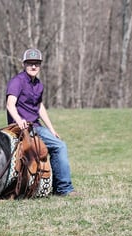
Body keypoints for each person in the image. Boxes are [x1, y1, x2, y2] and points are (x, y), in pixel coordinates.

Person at [6, 48, 79, 197]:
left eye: (37, 64)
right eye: (30, 63)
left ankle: (58, 186)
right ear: (24, 64)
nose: (33, 67)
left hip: (36, 126)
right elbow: (10, 104)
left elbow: (39, 107)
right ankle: (64, 189)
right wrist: (19, 121)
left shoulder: (38, 84)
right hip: (21, 127)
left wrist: (51, 129)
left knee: (58, 143)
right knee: (60, 147)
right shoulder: (17, 81)